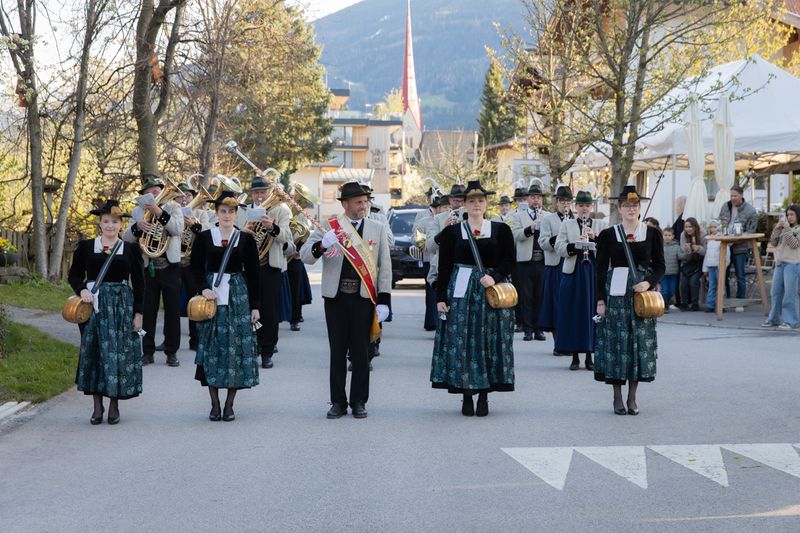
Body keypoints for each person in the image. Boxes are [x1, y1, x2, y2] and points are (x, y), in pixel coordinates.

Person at [300, 181, 392, 419]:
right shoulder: (330, 227)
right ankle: (338, 402)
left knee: (361, 352)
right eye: (359, 202)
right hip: (336, 298)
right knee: (337, 352)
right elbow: (305, 256)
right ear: (345, 204)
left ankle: (359, 400)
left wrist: (384, 300)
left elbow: (384, 267)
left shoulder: (377, 228)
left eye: (365, 202)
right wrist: (322, 245)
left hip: (364, 299)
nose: (364, 206)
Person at [431, 180, 515, 417]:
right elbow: (444, 266)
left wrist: (495, 277)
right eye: (471, 201)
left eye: (480, 200)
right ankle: (467, 394)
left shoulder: (501, 230)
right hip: (460, 293)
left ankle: (485, 395)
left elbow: (510, 261)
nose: (476, 204)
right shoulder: (452, 232)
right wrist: (440, 297)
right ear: (464, 204)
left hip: (490, 292)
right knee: (464, 342)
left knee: (487, 341)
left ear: (487, 204)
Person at [68, 200, 144, 425]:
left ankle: (114, 405)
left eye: (115, 221)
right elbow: (73, 275)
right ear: (100, 223)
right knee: (95, 354)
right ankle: (96, 406)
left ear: (121, 224)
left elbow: (140, 284)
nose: (110, 225)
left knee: (116, 355)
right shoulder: (85, 247)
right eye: (106, 221)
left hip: (121, 307)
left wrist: (138, 313)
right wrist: (82, 290)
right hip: (93, 306)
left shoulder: (130, 249)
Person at [190, 191, 261, 422]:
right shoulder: (203, 237)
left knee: (235, 349)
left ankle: (230, 405)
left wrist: (255, 306)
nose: (227, 215)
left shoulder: (246, 239)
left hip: (237, 297)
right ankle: (214, 403)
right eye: (223, 211)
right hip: (211, 297)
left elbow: (254, 274)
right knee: (212, 348)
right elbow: (195, 269)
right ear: (216, 212)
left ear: (236, 214)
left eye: (231, 211)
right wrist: (203, 288)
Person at [595, 185, 665, 416]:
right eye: (626, 205)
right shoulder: (607, 235)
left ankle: (632, 396)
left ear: (639, 207)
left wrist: (649, 282)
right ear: (619, 208)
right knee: (616, 345)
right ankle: (617, 396)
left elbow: (660, 266)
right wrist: (600, 300)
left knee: (638, 344)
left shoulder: (653, 233)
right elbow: (600, 270)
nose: (631, 209)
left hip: (641, 296)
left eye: (634, 205)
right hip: (615, 294)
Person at [123, 175, 185, 367]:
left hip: (170, 266)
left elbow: (177, 230)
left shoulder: (174, 207)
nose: (154, 195)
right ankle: (147, 351)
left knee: (172, 311)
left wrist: (159, 212)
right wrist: (136, 227)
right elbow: (125, 238)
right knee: (147, 311)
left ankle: (171, 352)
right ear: (143, 196)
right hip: (147, 267)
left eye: (157, 191)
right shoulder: (137, 211)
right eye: (149, 193)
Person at [239, 176, 291, 369]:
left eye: (263, 192)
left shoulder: (280, 210)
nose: (260, 196)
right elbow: (233, 235)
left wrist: (272, 227)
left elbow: (286, 237)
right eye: (257, 192)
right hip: (247, 268)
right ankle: (251, 348)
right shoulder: (242, 211)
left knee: (269, 311)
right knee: (247, 310)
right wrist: (243, 232)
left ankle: (267, 351)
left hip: (270, 267)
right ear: (252, 194)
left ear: (269, 193)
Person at [554, 189, 606, 371]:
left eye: (587, 205)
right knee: (573, 311)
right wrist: (576, 244)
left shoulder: (600, 224)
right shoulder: (567, 225)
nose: (584, 209)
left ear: (592, 207)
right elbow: (558, 247)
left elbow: (609, 249)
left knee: (592, 312)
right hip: (573, 271)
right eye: (581, 205)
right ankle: (574, 355)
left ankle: (590, 355)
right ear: (575, 207)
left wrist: (596, 239)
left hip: (593, 272)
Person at [510, 179, 549, 341]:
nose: (536, 200)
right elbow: (515, 235)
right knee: (526, 296)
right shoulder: (519, 216)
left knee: (540, 295)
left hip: (542, 260)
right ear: (527, 199)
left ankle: (539, 329)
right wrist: (531, 228)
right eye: (533, 197)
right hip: (525, 261)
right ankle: (527, 329)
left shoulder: (547, 216)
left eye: (538, 197)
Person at [538, 184, 573, 354]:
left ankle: (571, 342)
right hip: (554, 265)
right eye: (562, 201)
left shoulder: (577, 219)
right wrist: (557, 238)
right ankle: (558, 343)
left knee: (570, 303)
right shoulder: (548, 220)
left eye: (568, 201)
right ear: (556, 202)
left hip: (572, 264)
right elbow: (542, 242)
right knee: (555, 304)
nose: (565, 204)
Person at [177, 181, 210, 350]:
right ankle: (171, 342)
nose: (184, 199)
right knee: (172, 303)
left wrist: (195, 226)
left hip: (191, 262)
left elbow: (208, 230)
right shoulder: (172, 213)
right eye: (180, 196)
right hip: (174, 262)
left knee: (194, 301)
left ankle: (196, 340)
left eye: (188, 196)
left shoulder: (200, 213)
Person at [762, 205, 800, 329]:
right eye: (788, 214)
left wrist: (788, 229)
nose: (789, 217)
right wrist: (777, 228)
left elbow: (794, 244)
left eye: (792, 214)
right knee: (775, 292)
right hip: (780, 263)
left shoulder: (798, 229)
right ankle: (774, 319)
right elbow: (773, 242)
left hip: (792, 264)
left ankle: (791, 321)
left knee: (789, 294)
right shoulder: (785, 228)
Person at [719, 185, 758, 298]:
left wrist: (736, 238)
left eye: (735, 196)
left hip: (740, 246)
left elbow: (751, 231)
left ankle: (740, 300)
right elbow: (720, 223)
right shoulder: (725, 206)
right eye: (731, 195)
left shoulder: (751, 211)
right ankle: (725, 299)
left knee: (740, 274)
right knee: (723, 273)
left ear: (741, 195)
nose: (732, 198)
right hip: (725, 245)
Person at [412, 190, 443, 331]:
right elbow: (416, 236)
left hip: (443, 258)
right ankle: (431, 321)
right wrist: (425, 246)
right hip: (429, 258)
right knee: (431, 290)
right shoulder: (423, 217)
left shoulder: (447, 217)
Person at [286, 210, 314, 331]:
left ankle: (295, 319)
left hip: (295, 256)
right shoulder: (278, 210)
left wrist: (301, 251)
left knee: (295, 289)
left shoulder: (301, 214)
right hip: (280, 253)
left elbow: (306, 234)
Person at [677, 217, 705, 311]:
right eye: (686, 227)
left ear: (695, 227)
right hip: (687, 262)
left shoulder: (702, 234)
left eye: (690, 227)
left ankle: (695, 303)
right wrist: (687, 250)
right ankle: (684, 303)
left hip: (699, 262)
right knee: (683, 283)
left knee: (693, 282)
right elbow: (682, 250)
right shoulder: (683, 235)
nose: (688, 229)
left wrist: (698, 249)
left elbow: (706, 251)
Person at [703, 220, 729, 313]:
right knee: (711, 285)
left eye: (715, 227)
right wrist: (705, 268)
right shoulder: (709, 239)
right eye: (711, 227)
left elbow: (727, 253)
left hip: (719, 265)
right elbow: (707, 254)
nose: (713, 229)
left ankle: (722, 304)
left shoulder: (721, 238)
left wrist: (724, 264)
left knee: (721, 285)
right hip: (711, 265)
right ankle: (710, 304)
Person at [660, 228, 680, 311]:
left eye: (669, 235)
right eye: (665, 235)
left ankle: (667, 303)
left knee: (672, 290)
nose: (667, 237)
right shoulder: (660, 246)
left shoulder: (676, 246)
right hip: (663, 273)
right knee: (665, 290)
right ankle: (664, 305)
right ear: (662, 236)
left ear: (673, 236)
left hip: (673, 273)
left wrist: (687, 252)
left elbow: (681, 256)